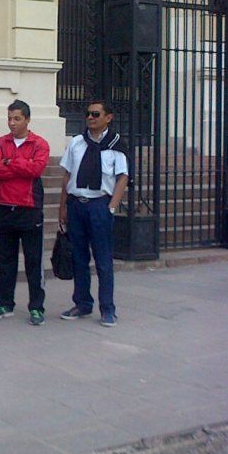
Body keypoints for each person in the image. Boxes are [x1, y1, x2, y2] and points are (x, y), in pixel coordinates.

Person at [58, 100, 129, 327]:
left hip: (99, 205)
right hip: (77, 205)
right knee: (79, 257)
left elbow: (123, 177)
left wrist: (111, 206)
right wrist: (63, 206)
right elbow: (67, 175)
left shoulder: (116, 145)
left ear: (108, 117)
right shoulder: (77, 143)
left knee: (103, 259)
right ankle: (82, 303)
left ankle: (107, 309)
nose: (90, 118)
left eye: (96, 114)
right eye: (88, 114)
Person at [0, 100, 50, 326]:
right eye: (9, 118)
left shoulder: (39, 144)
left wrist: (10, 162)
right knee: (5, 260)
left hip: (29, 209)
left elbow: (36, 169)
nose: (12, 123)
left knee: (33, 261)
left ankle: (36, 307)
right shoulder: (0, 142)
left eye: (17, 119)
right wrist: (21, 165)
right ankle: (5, 303)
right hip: (4, 208)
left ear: (27, 120)